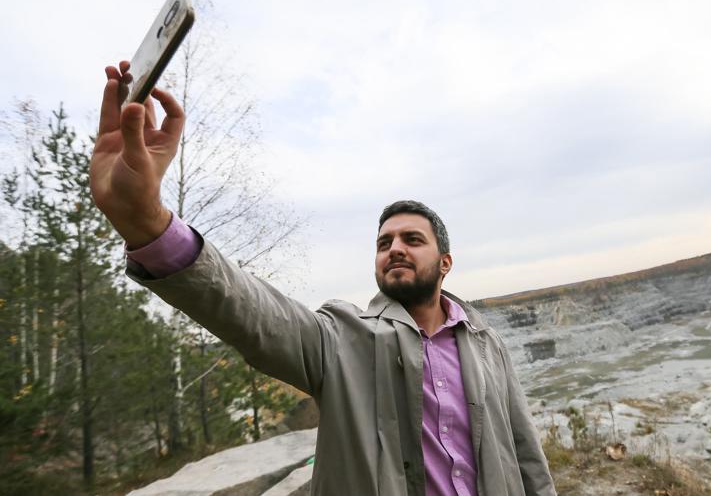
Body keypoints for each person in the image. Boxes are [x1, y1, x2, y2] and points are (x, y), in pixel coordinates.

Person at [90, 61, 556, 496]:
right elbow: (251, 312)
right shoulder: (342, 339)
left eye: (412, 239)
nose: (395, 248)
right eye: (384, 242)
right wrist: (147, 221)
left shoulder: (486, 344)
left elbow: (526, 453)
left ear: (446, 262)